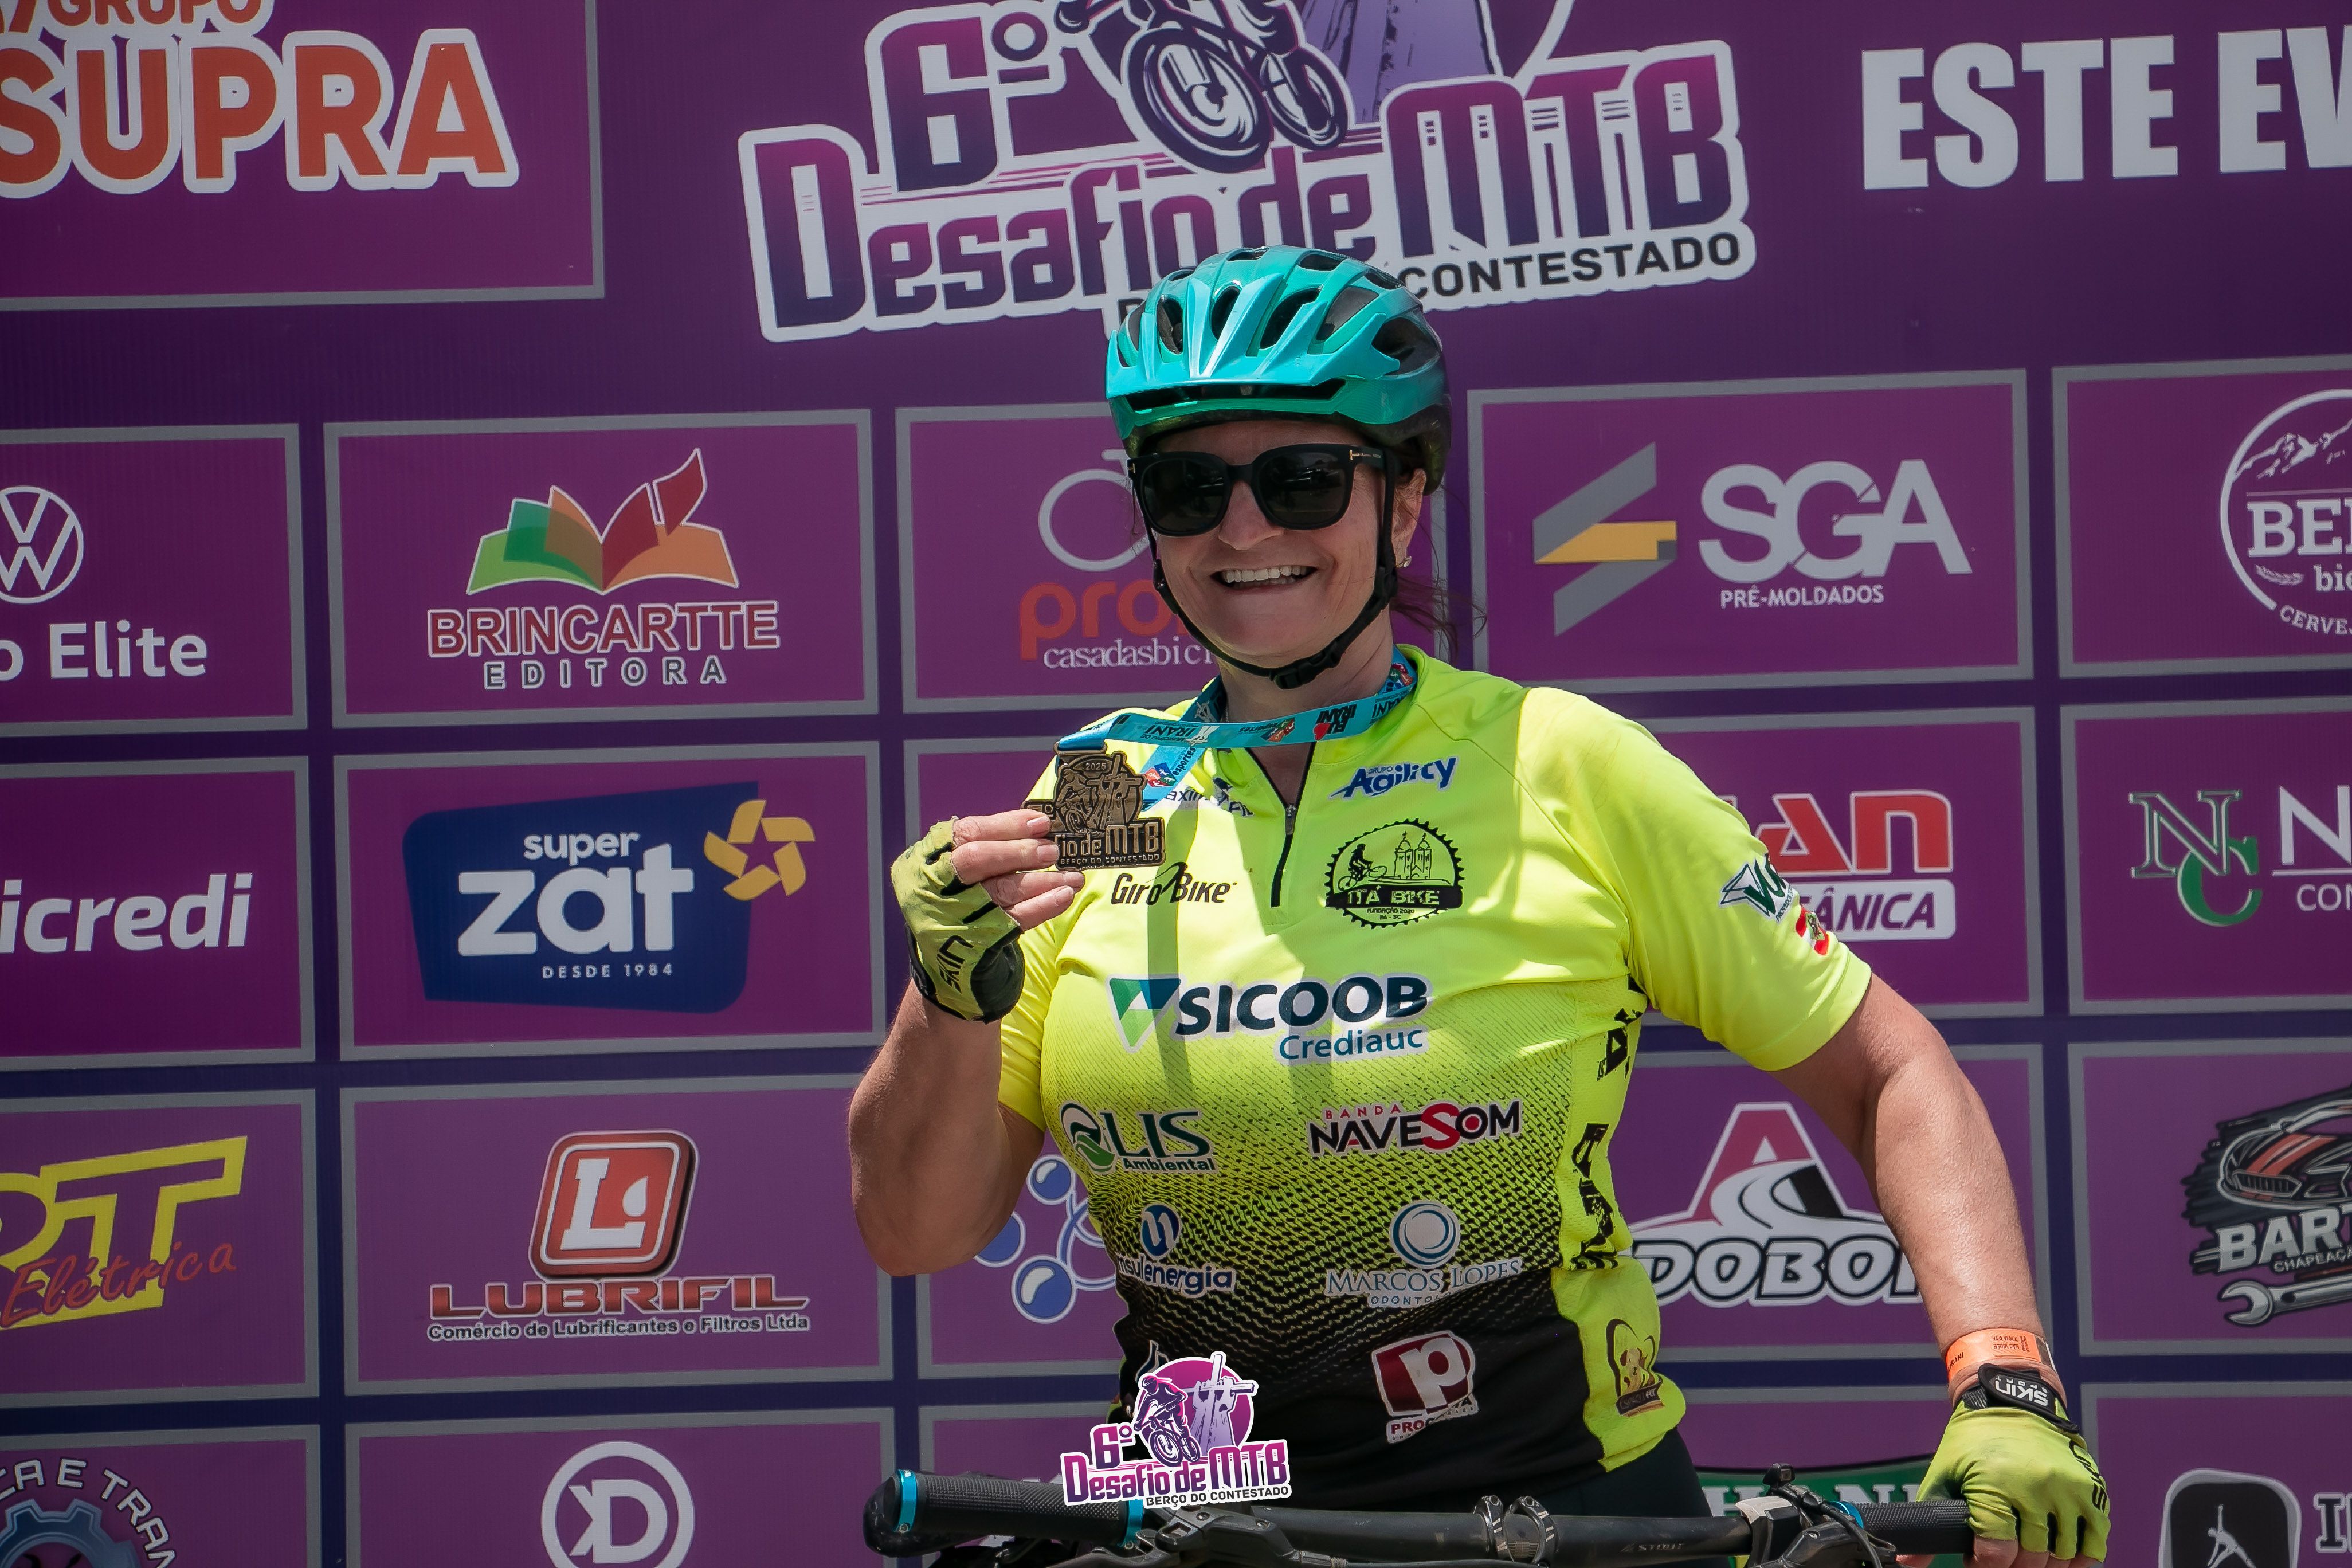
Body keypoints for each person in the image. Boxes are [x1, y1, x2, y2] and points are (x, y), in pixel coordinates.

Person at [850, 245, 2107, 1567]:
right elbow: (915, 1229)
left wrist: (2004, 1379)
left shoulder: (1558, 762)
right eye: (1189, 487)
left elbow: (1891, 1069)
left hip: (1559, 1521)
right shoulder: (1101, 786)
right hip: (1200, 1523)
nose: (1244, 530)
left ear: (1402, 504)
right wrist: (947, 1000)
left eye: (1302, 479)